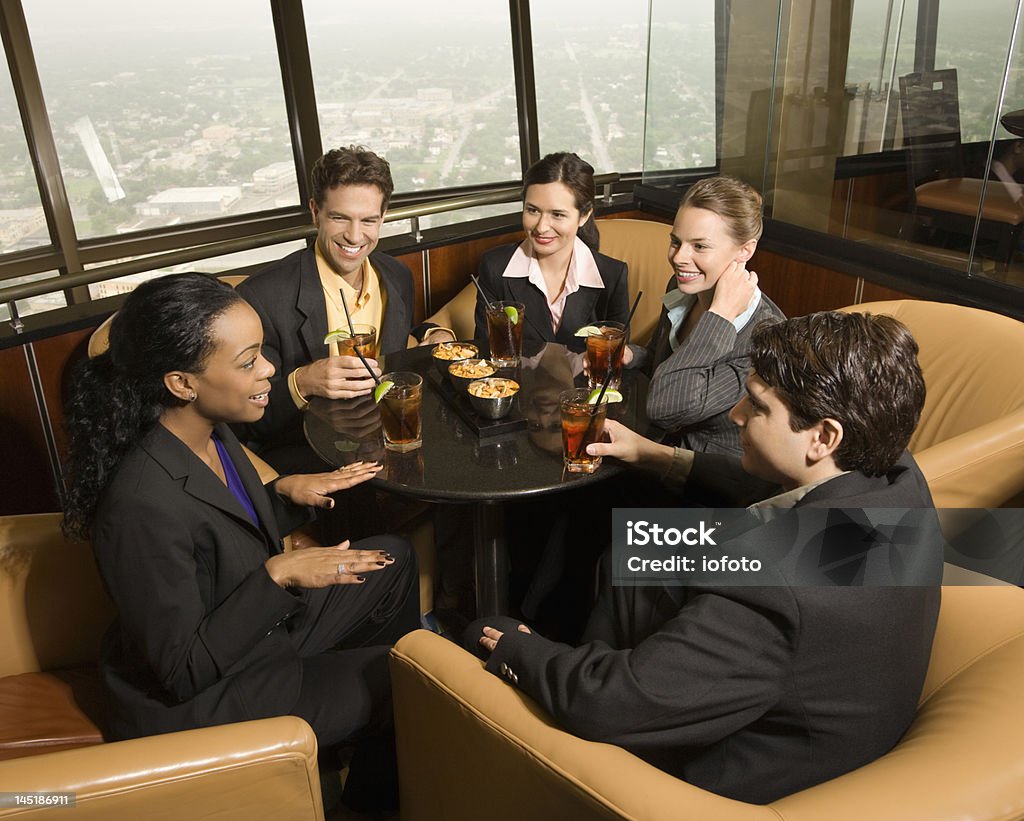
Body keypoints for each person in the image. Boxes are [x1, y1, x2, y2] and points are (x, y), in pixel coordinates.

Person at [467, 311, 943, 804]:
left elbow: (612, 705)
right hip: (812, 690)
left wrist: (521, 650)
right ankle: (599, 660)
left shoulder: (774, 587)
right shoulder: (895, 473)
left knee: (484, 630)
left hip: (720, 779)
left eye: (757, 408)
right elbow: (774, 486)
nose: (736, 415)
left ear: (823, 436)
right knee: (633, 548)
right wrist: (655, 455)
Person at [63, 273, 420, 810]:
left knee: (395, 557)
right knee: (407, 682)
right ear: (182, 383)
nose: (271, 369)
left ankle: (345, 731)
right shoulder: (139, 505)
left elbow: (216, 528)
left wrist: (283, 494)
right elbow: (182, 671)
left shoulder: (208, 430)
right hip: (209, 694)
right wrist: (280, 574)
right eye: (249, 361)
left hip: (255, 632)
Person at [236, 145, 453, 474]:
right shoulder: (262, 296)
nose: (355, 236)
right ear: (315, 212)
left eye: (368, 220)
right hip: (310, 455)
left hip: (391, 439)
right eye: (340, 218)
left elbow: (396, 356)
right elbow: (250, 420)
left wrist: (430, 334)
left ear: (383, 218)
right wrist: (302, 382)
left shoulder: (396, 277)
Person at [640, 176, 784, 455]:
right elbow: (667, 368)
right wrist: (635, 355)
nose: (679, 257)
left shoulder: (766, 337)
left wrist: (720, 315)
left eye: (700, 246)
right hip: (656, 454)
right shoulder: (682, 288)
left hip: (711, 483)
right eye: (675, 241)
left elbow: (664, 405)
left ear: (745, 250)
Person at [472, 152, 629, 352]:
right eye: (533, 210)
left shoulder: (612, 275)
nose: (542, 227)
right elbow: (486, 350)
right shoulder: (495, 266)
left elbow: (615, 356)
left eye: (557, 214)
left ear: (584, 216)